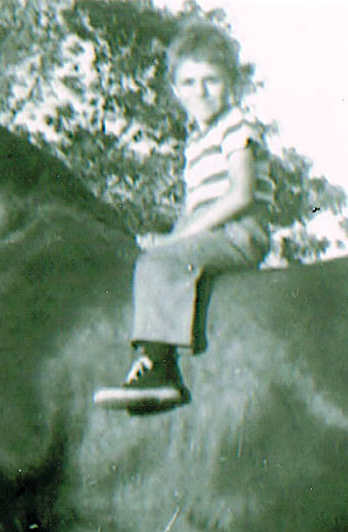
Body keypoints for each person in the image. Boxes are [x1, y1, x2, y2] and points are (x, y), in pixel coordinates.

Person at [94, 20, 274, 415]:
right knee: (150, 257)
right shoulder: (197, 142)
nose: (200, 92)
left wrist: (176, 241)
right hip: (215, 230)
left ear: (232, 84)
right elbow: (195, 210)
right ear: (176, 90)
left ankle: (159, 370)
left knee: (159, 263)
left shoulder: (235, 126)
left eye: (211, 80)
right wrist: (169, 238)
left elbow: (241, 193)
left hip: (238, 231)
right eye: (189, 82)